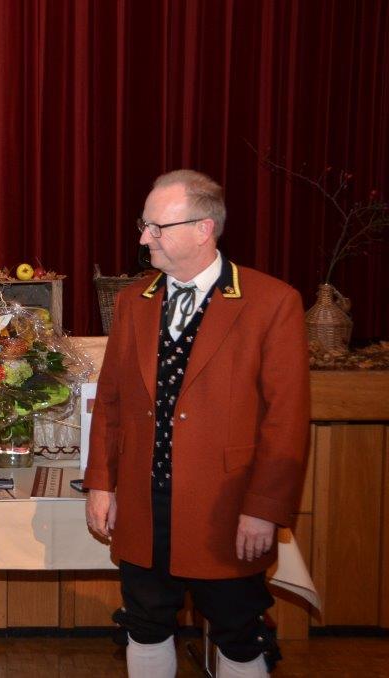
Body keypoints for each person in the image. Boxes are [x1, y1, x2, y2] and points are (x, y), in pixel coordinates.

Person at [84, 169, 310, 678]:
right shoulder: (132, 302)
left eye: (157, 227)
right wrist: (101, 484)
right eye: (144, 225)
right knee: (144, 624)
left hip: (228, 509)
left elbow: (286, 421)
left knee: (238, 632)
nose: (144, 238)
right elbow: (112, 403)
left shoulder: (272, 302)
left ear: (204, 229)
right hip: (143, 504)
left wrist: (263, 509)